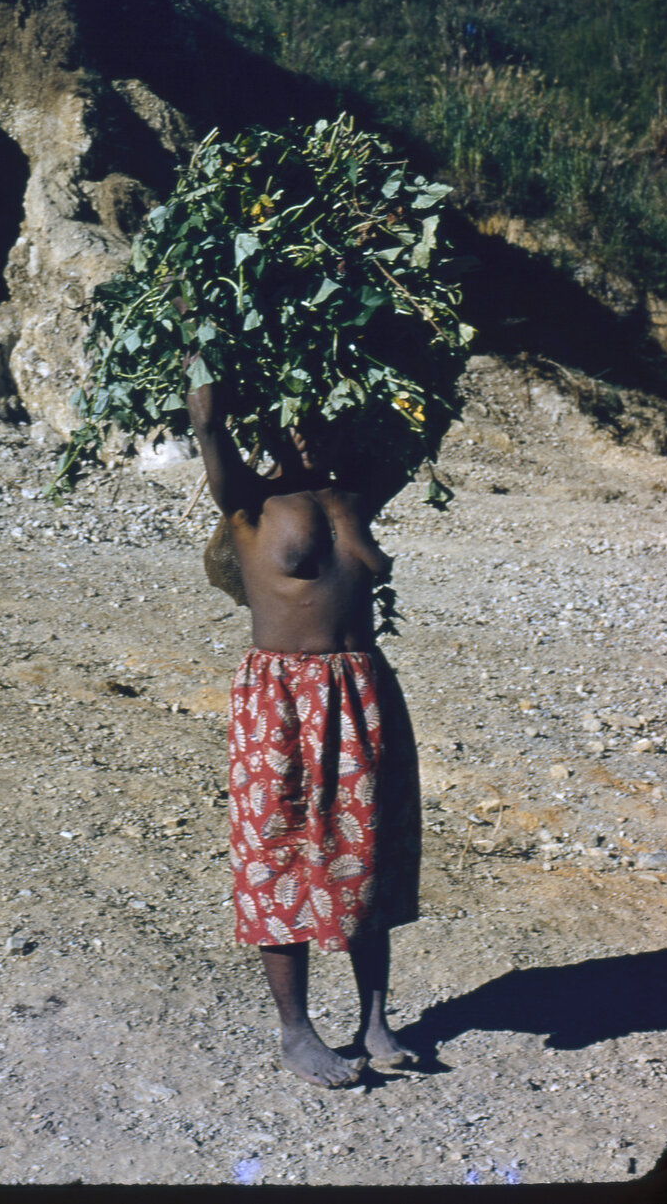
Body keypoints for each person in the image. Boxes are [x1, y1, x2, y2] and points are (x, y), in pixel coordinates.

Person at [187, 378, 421, 1088]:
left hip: (363, 688)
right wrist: (210, 407)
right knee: (282, 852)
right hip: (284, 698)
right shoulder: (249, 503)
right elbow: (210, 435)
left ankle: (375, 1019)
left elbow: (420, 430)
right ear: (267, 425)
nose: (310, 432)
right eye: (295, 419)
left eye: (321, 418)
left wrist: (423, 345)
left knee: (368, 851)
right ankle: (297, 1033)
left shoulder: (353, 496)